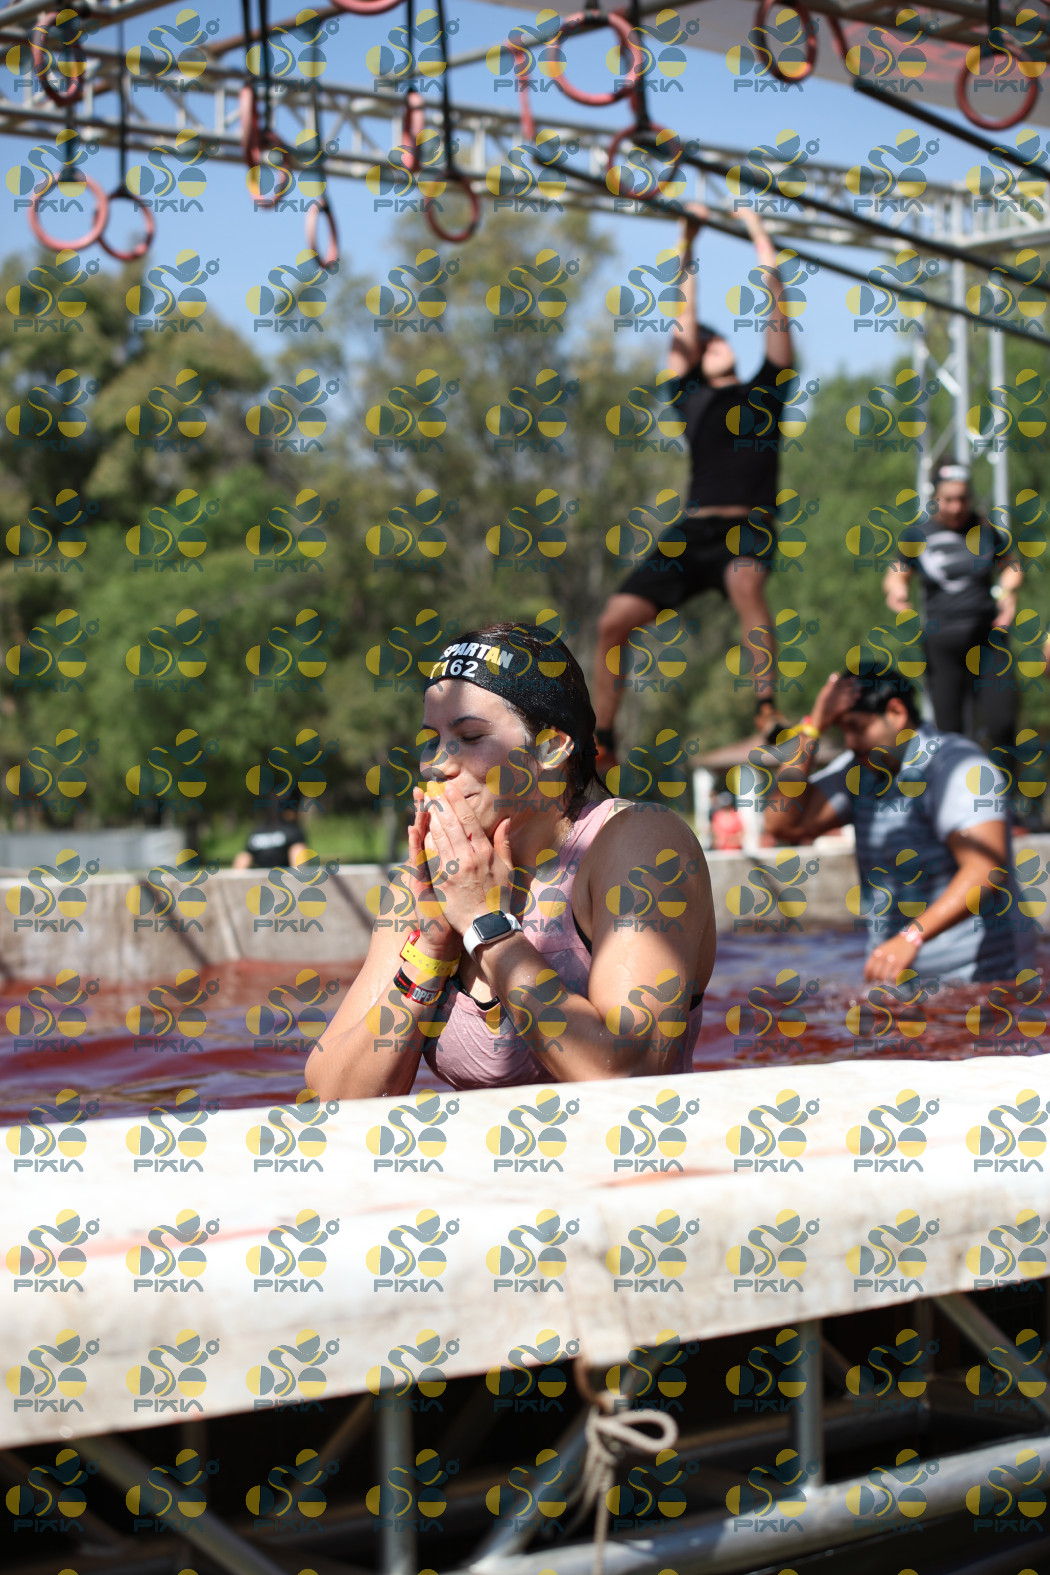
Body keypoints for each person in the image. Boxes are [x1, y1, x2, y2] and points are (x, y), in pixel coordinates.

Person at [305, 621, 715, 1099]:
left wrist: (487, 927)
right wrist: (430, 953)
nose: (436, 763)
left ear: (552, 747)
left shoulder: (639, 843)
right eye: (432, 739)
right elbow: (332, 1098)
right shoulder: (428, 881)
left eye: (470, 736)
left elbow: (630, 1073)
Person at [593, 202, 796, 775]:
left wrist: (758, 234)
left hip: (747, 527)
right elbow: (684, 317)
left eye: (716, 341)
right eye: (704, 345)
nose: (712, 344)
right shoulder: (691, 398)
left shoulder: (766, 391)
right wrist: (686, 242)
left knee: (746, 585)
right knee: (613, 622)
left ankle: (766, 709)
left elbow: (777, 312)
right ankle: (603, 736)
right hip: (695, 530)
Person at [762, 666, 1032, 984]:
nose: (850, 742)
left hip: (983, 979)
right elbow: (781, 823)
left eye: (857, 727)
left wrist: (912, 937)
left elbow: (986, 869)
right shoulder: (860, 771)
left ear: (896, 713)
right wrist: (812, 728)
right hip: (897, 977)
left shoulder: (958, 765)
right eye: (842, 730)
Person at [882, 463, 1023, 757]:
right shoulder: (917, 535)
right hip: (943, 643)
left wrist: (1008, 591)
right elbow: (896, 573)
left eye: (963, 498)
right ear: (935, 498)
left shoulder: (985, 530)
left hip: (989, 639)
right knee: (951, 733)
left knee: (1003, 724)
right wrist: (897, 591)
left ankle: (1007, 785)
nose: (956, 507)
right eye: (949, 499)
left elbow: (1011, 566)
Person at [233, 798, 307, 870]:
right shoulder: (292, 831)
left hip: (271, 874)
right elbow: (245, 857)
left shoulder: (257, 831)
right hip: (275, 875)